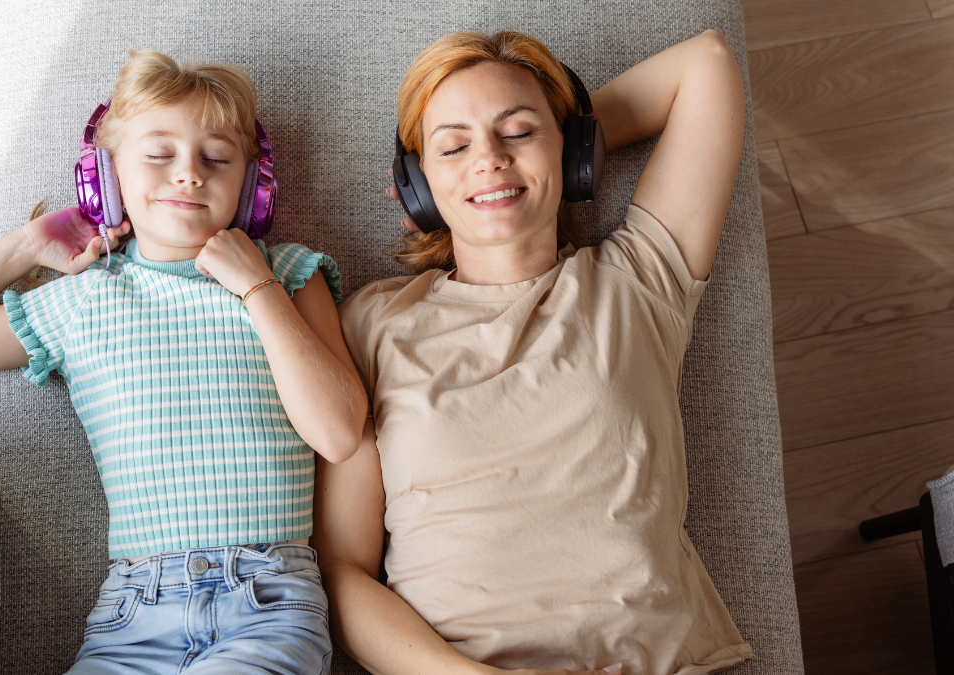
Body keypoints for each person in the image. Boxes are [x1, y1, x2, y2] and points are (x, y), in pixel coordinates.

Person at [0, 50, 366, 675]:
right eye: (159, 155)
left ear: (251, 186)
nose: (189, 174)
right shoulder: (82, 301)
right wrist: (25, 247)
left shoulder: (290, 274)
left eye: (216, 158)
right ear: (105, 178)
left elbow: (340, 431)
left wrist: (257, 289)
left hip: (268, 602)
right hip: (134, 614)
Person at [314, 30, 752, 675]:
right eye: (454, 145)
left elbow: (706, 64)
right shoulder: (372, 322)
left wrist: (572, 148)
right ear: (418, 184)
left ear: (574, 148)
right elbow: (343, 572)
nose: (487, 158)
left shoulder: (638, 282)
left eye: (517, 132)